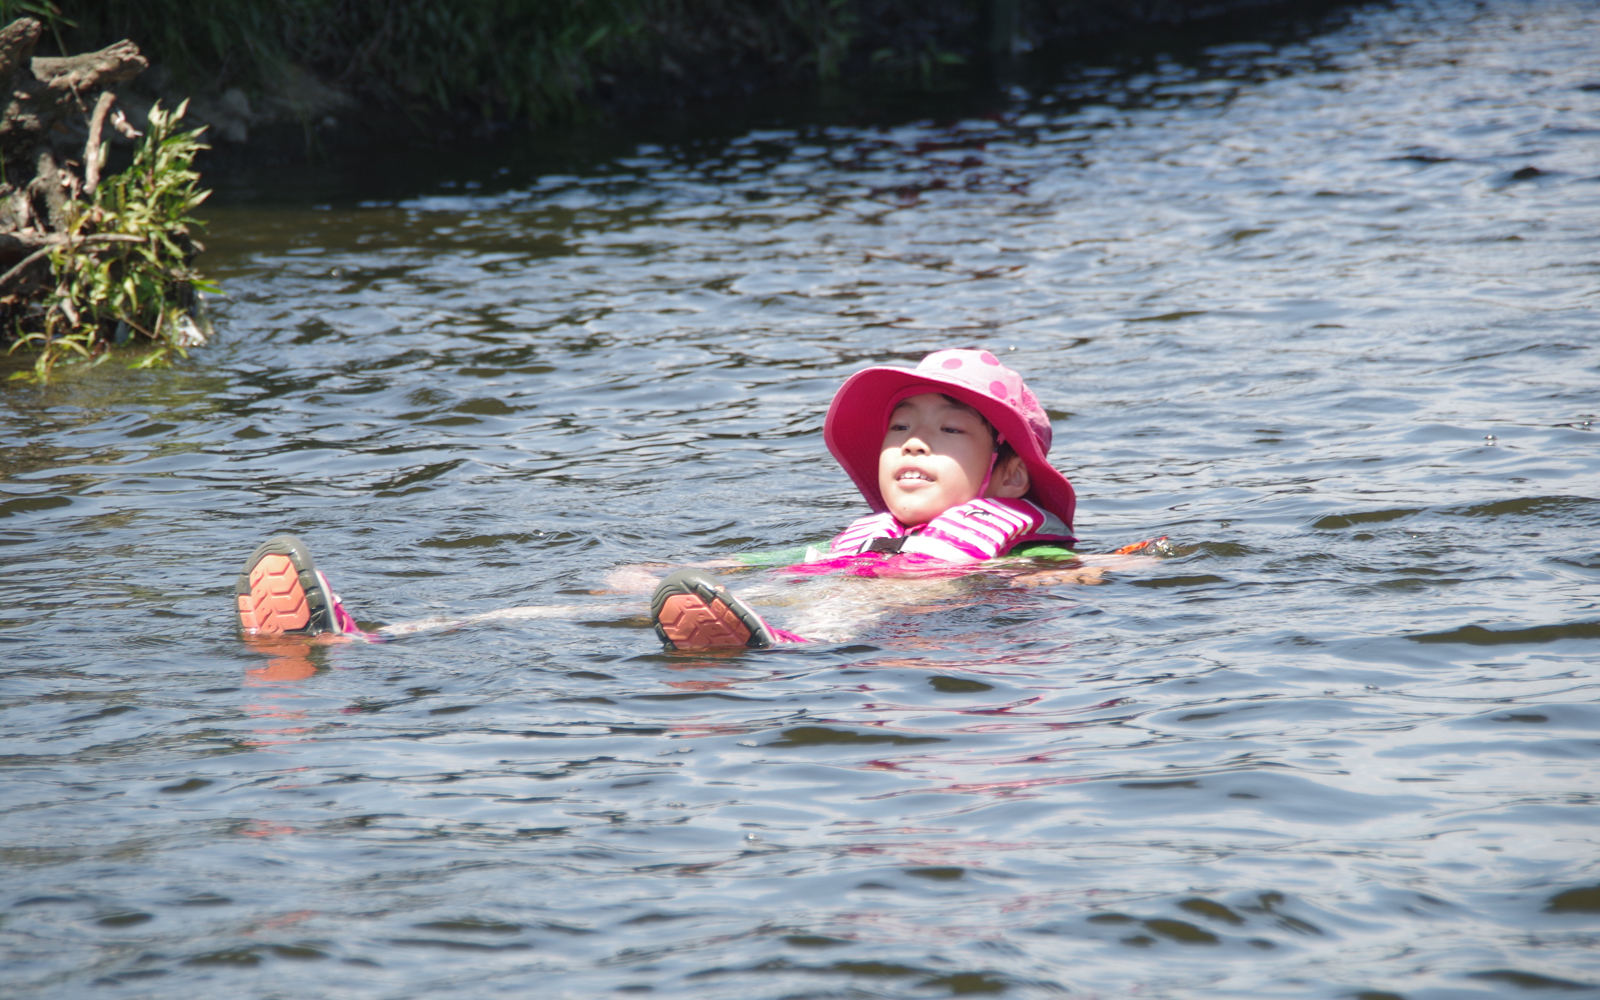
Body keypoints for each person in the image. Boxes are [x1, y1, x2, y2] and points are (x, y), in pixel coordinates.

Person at [233, 349, 1157, 651]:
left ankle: (763, 647)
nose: (912, 442)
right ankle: (362, 637)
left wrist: (1113, 567)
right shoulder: (867, 534)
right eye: (898, 427)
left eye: (947, 431)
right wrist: (708, 572)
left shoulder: (1014, 543)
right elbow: (779, 563)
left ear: (1001, 474)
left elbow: (1060, 569)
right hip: (799, 594)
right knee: (565, 610)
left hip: (863, 622)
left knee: (841, 605)